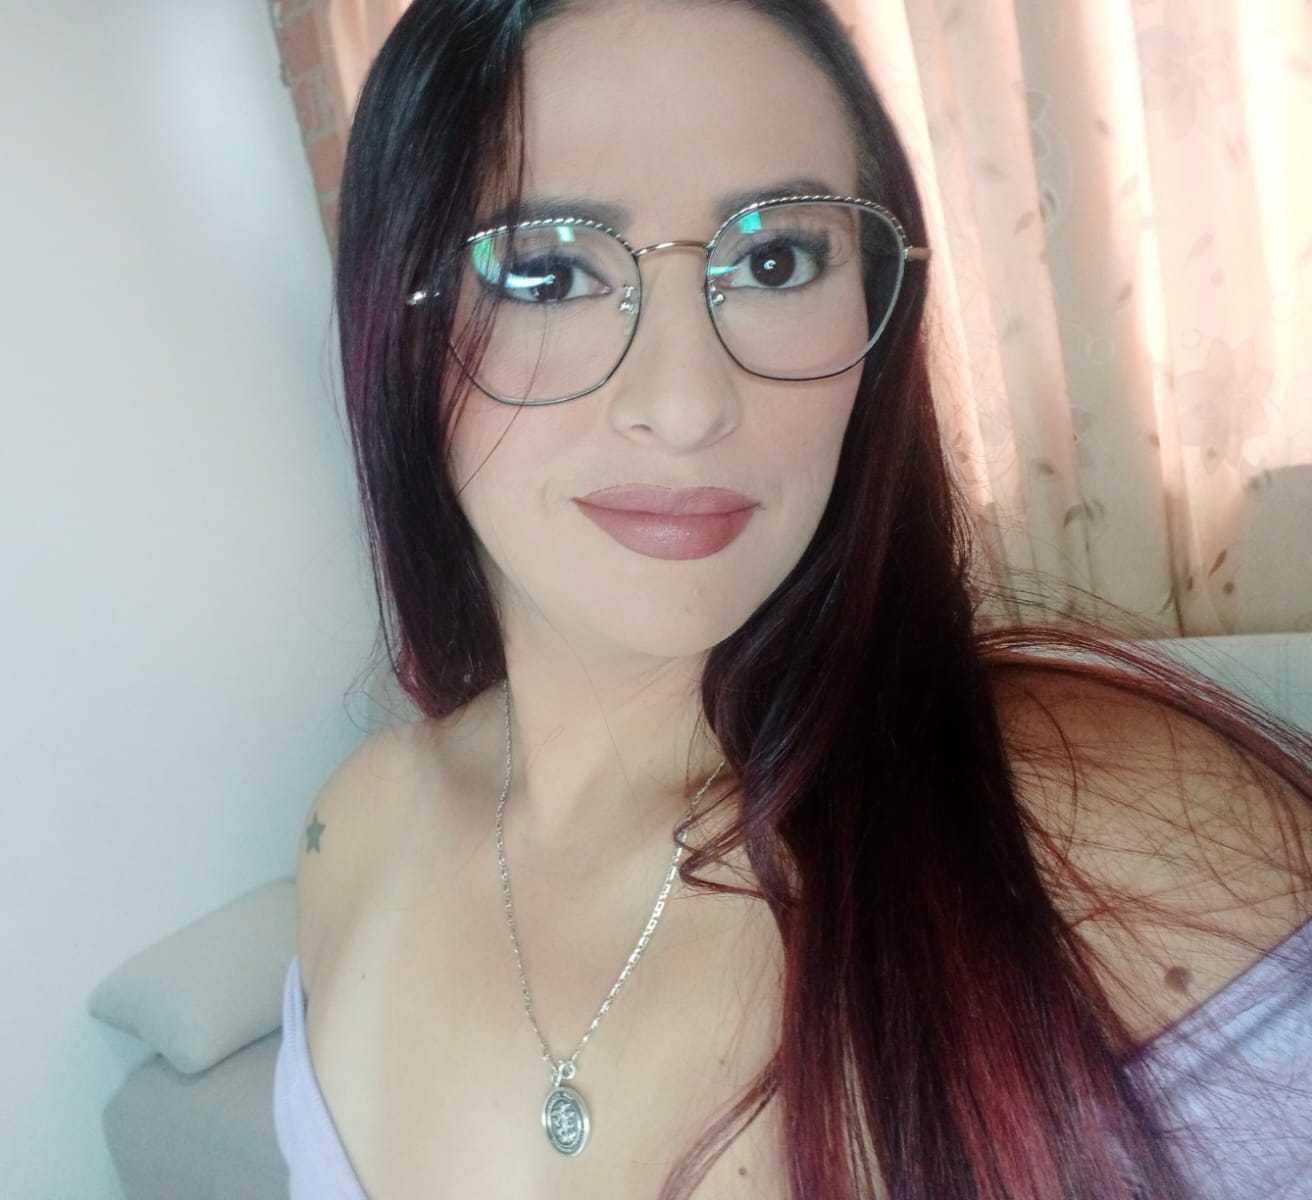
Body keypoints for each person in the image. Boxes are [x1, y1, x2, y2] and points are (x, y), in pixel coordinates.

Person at [272, 0, 1312, 1196]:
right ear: (395, 318)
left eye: (775, 260)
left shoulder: (1111, 842)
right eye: (546, 272)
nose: (686, 406)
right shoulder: (354, 834)